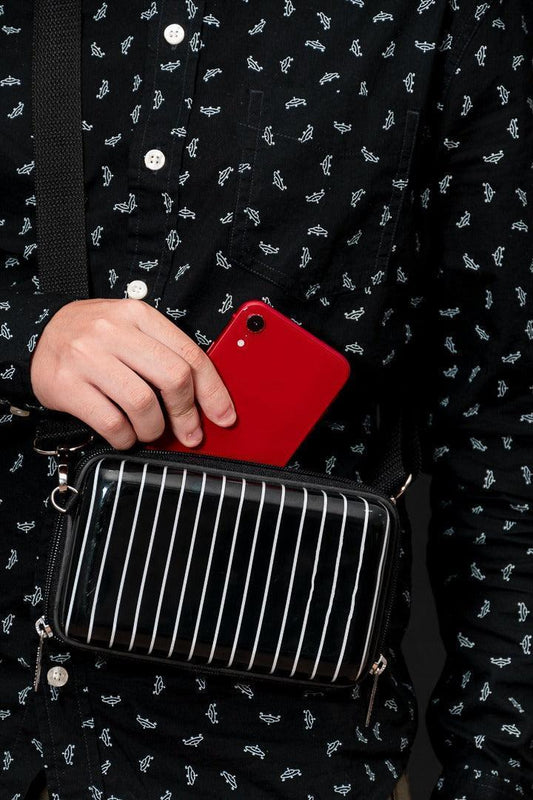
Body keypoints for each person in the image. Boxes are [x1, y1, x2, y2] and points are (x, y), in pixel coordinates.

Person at [1, 1, 531, 798]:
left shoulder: (447, 17)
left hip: (275, 754)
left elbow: (505, 435)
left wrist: (492, 780)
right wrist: (23, 335)